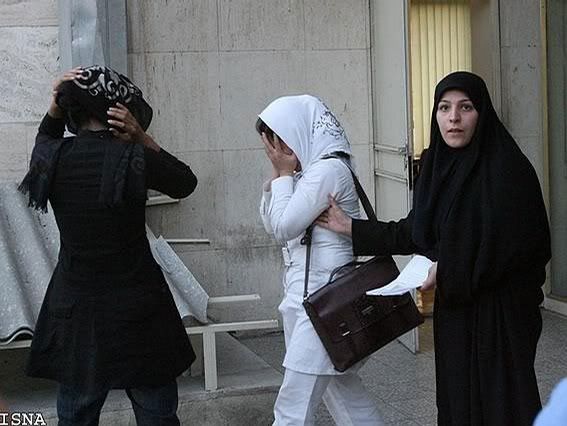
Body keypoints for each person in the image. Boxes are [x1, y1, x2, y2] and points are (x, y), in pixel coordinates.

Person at [317, 71, 551, 426]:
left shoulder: (508, 169)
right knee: (458, 403)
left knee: (502, 406)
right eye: (444, 108)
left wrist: (450, 267)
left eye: (465, 107)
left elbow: (519, 248)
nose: (453, 117)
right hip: (456, 312)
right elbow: (417, 231)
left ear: (482, 113)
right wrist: (351, 228)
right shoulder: (439, 168)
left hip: (500, 319)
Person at [19, 65, 198, 425]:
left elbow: (45, 137)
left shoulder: (53, 157)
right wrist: (142, 138)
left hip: (77, 310)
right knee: (156, 412)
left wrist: (55, 105)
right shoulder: (134, 157)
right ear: (120, 112)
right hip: (139, 309)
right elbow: (184, 182)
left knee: (76, 414)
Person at [258, 95, 383, 425]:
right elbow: (272, 223)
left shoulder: (328, 169)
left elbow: (284, 226)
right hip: (311, 298)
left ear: (298, 132)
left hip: (325, 301)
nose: (277, 152)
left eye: (279, 142)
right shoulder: (310, 171)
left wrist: (284, 175)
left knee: (293, 405)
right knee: (345, 394)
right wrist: (279, 175)